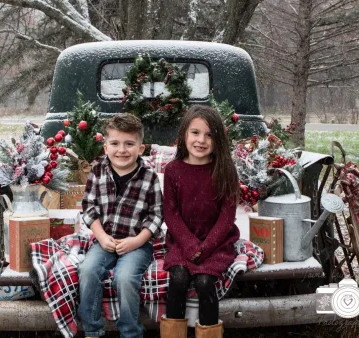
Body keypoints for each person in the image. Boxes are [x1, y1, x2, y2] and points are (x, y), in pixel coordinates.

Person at [78, 113, 163, 338]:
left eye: (129, 144)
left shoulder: (150, 177)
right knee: (88, 270)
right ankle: (92, 331)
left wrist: (137, 241)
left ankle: (131, 332)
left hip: (137, 244)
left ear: (141, 148)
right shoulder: (97, 171)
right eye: (114, 143)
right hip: (104, 240)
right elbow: (88, 207)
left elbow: (156, 216)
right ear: (105, 147)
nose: (121, 150)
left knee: (124, 278)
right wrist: (102, 237)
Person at [160, 105, 240, 338]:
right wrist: (189, 244)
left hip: (216, 242)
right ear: (184, 134)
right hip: (182, 241)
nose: (201, 140)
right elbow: (170, 214)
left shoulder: (225, 170)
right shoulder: (173, 170)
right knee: (178, 278)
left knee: (205, 283)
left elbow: (227, 217)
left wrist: (205, 248)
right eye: (195, 133)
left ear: (218, 140)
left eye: (209, 135)